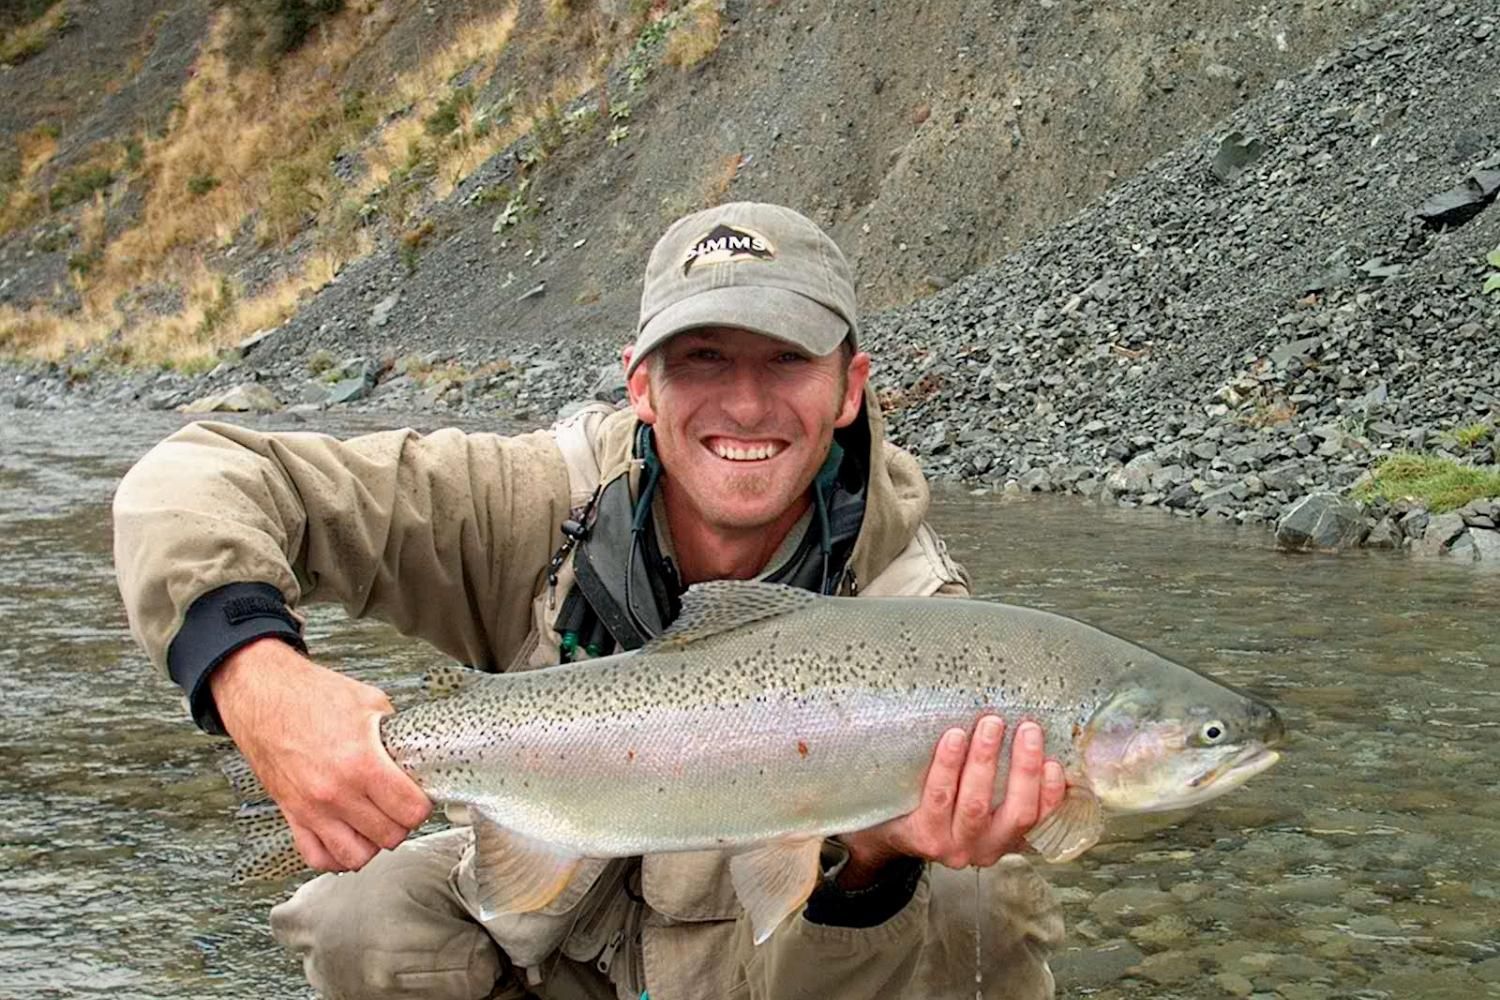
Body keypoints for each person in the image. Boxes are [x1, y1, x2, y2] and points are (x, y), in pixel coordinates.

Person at [113, 202, 1067, 1000]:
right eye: (701, 359)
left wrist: (874, 869)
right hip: (558, 932)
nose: (743, 403)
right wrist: (259, 680)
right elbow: (198, 473)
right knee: (362, 913)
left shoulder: (921, 616)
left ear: (849, 388)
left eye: (786, 361)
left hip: (763, 965)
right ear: (640, 384)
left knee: (979, 901)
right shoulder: (534, 500)